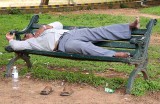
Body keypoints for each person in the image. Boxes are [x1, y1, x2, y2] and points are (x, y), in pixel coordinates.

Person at [6, 17, 140, 58]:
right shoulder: (31, 43)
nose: (26, 35)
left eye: (26, 34)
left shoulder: (43, 31)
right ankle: (114, 54)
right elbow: (16, 46)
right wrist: (10, 39)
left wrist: (44, 27)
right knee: (84, 47)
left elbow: (59, 23)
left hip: (71, 34)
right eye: (25, 37)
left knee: (99, 31)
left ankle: (129, 27)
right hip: (63, 46)